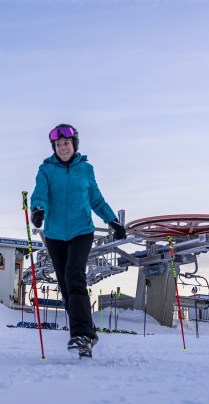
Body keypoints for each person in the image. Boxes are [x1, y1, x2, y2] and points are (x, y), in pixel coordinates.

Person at [30, 123, 126, 358]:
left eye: (66, 143)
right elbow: (39, 193)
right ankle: (87, 334)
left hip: (82, 231)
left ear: (74, 145)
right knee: (65, 285)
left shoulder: (86, 169)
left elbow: (96, 199)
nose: (63, 147)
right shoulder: (46, 170)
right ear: (54, 147)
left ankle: (81, 335)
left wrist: (112, 221)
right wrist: (38, 209)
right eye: (58, 144)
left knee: (75, 276)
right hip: (54, 235)